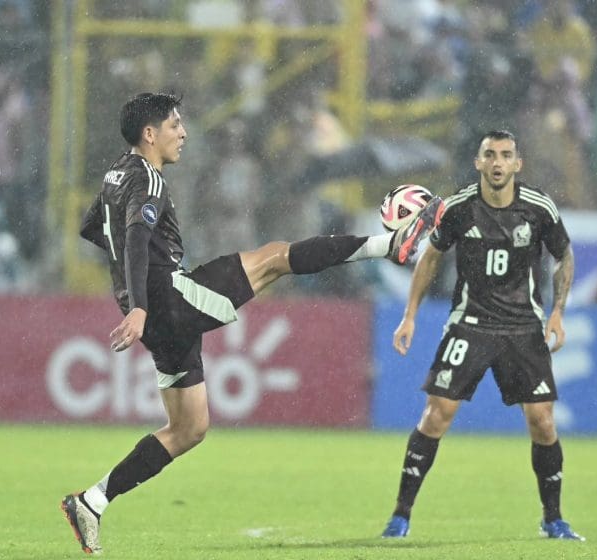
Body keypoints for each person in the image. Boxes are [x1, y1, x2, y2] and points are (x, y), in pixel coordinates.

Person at [60, 92, 444, 554]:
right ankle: (393, 244)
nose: (183, 133)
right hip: (168, 300)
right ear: (150, 134)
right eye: (175, 125)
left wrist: (130, 291)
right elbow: (138, 236)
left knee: (189, 428)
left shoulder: (115, 174)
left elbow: (92, 227)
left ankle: (92, 501)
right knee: (276, 258)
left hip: (155, 313)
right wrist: (143, 301)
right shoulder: (148, 178)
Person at [379, 130, 583, 541]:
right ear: (478, 162)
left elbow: (565, 255)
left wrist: (558, 312)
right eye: (490, 155)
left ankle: (553, 518)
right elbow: (431, 255)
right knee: (437, 414)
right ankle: (400, 516)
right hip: (470, 323)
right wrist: (410, 315)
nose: (497, 163)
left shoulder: (538, 207)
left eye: (506, 155)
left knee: (542, 421)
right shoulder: (458, 207)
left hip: (524, 326)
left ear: (517, 164)